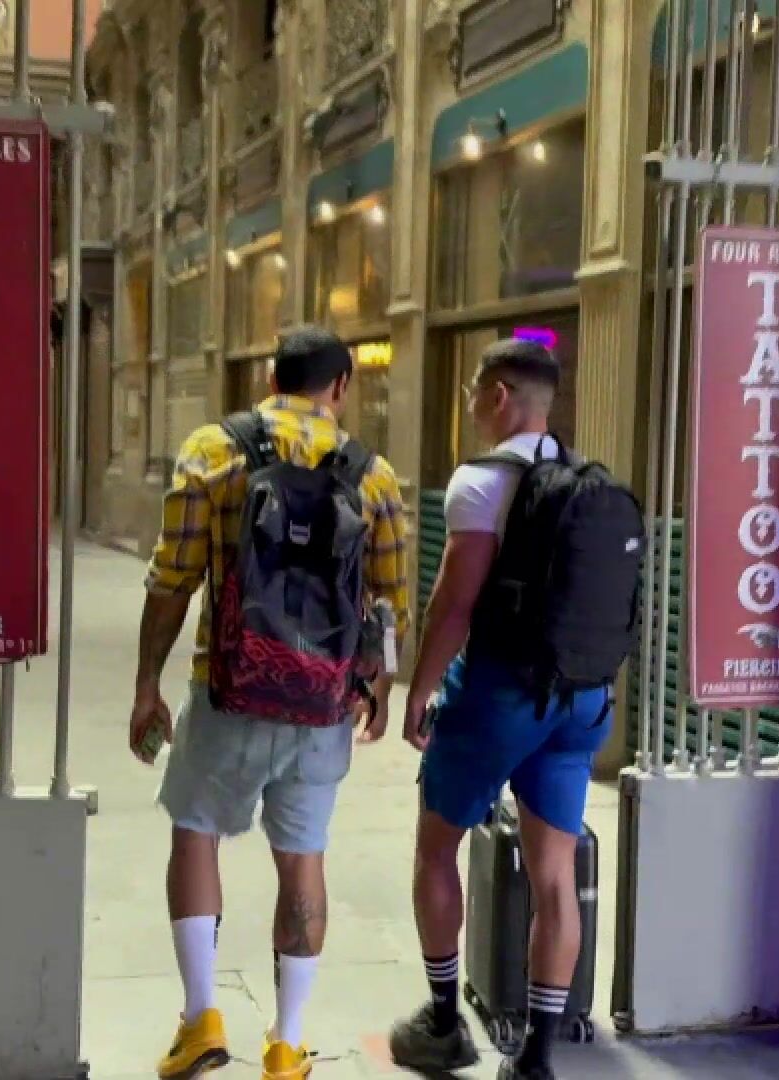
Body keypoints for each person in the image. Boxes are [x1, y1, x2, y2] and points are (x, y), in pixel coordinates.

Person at [131, 326, 411, 1080]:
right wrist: (377, 687)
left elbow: (171, 579)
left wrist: (146, 684)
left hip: (228, 691)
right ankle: (286, 1044)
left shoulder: (212, 451)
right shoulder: (373, 475)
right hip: (321, 705)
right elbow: (391, 602)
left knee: (196, 835)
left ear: (269, 377)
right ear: (341, 386)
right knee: (304, 861)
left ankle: (201, 1020)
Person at [389, 339, 617, 1080]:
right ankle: (536, 1059)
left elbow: (454, 604)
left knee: (435, 849)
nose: (470, 407)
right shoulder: (586, 479)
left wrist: (420, 688)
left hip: (499, 695)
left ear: (498, 396)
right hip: (580, 697)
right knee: (555, 875)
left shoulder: (482, 481)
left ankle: (443, 1023)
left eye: (472, 394)